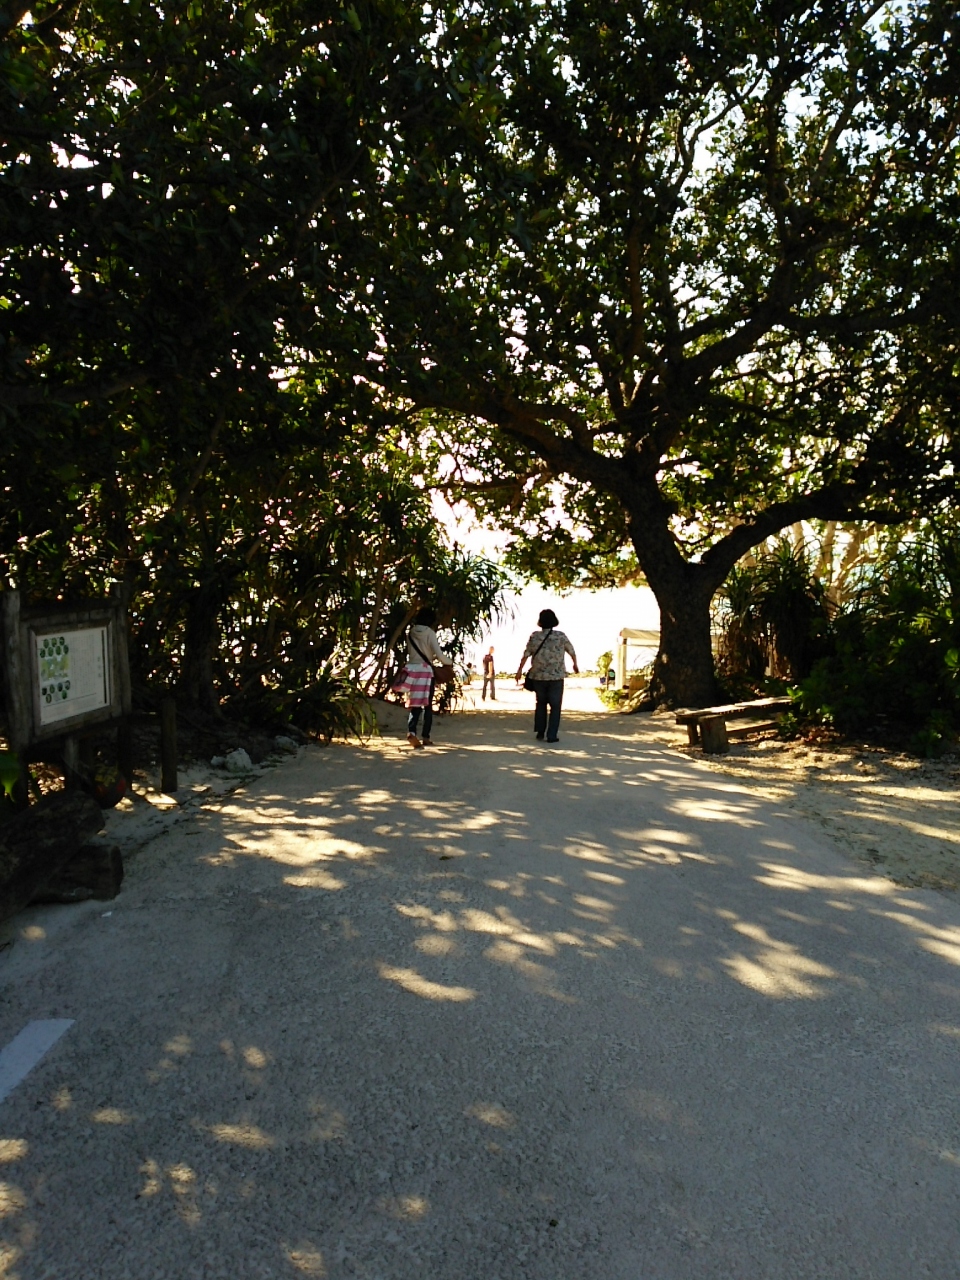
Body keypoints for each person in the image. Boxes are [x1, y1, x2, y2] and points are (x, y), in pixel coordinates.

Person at [515, 609, 579, 743]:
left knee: (541, 703)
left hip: (539, 676)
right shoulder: (561, 636)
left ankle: (540, 731)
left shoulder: (535, 636)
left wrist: (519, 670)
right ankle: (552, 735)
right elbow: (571, 651)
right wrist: (575, 664)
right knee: (555, 706)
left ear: (540, 621)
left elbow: (526, 654)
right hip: (556, 676)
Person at [403, 607, 452, 748]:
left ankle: (412, 731)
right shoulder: (430, 633)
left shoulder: (410, 633)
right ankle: (426, 736)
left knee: (415, 704)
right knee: (427, 704)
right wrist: (449, 662)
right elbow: (439, 655)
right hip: (426, 671)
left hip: (411, 670)